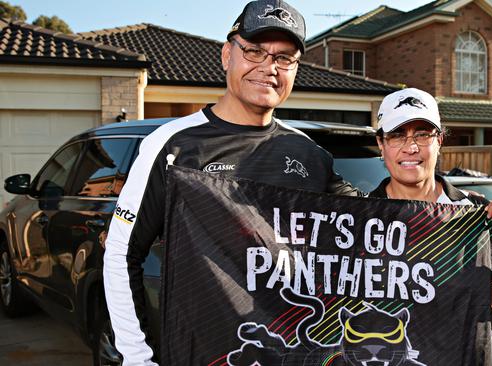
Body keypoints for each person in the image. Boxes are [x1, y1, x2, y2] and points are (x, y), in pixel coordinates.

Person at [102, 1, 359, 364]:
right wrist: (136, 357)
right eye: (254, 50)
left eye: (284, 58)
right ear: (227, 55)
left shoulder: (309, 154)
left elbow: (373, 223)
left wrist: (441, 204)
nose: (269, 67)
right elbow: (120, 254)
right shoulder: (171, 144)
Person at [369, 88, 492, 365]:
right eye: (397, 134)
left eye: (422, 134)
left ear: (439, 140)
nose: (410, 147)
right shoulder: (361, 219)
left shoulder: (476, 214)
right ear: (381, 143)